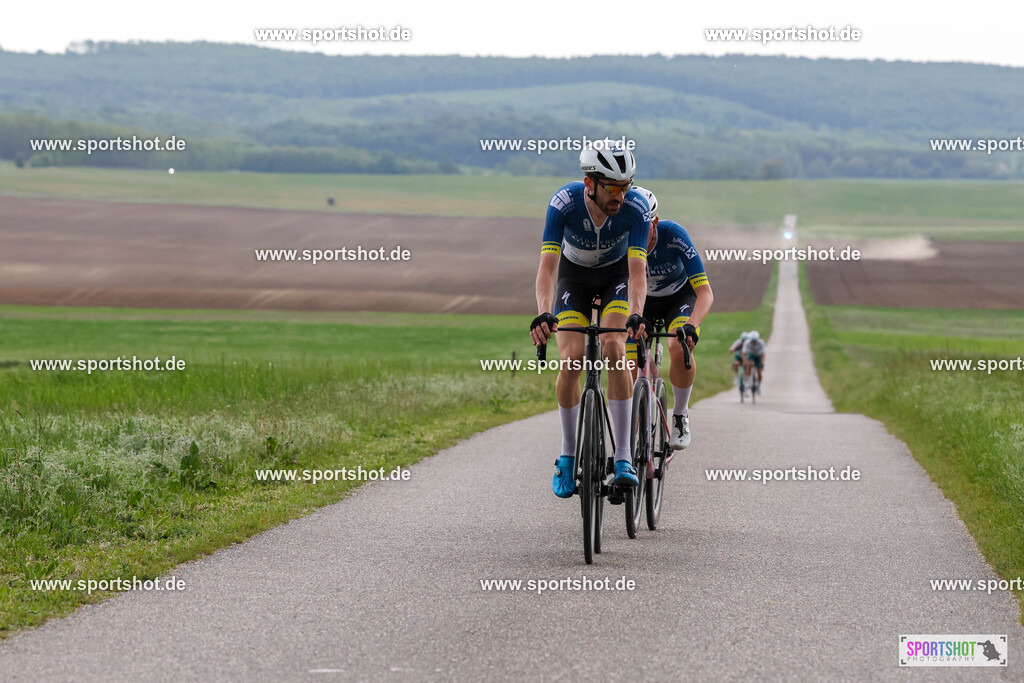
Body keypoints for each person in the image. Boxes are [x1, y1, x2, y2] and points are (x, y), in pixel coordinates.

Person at [530, 142, 651, 498]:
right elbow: (547, 269)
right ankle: (567, 456)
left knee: (615, 346)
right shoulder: (563, 204)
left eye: (626, 186)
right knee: (571, 359)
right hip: (574, 277)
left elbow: (638, 273)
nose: (620, 195)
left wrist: (636, 314)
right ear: (590, 183)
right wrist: (542, 311)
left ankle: (624, 459)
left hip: (615, 277)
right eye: (613, 187)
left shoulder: (636, 209)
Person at [627, 187, 713, 449]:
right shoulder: (622, 241)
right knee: (629, 356)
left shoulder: (674, 235)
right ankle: (641, 401)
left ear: (653, 222)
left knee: (679, 345)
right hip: (644, 302)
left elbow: (705, 293)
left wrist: (692, 326)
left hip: (679, 298)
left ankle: (680, 415)